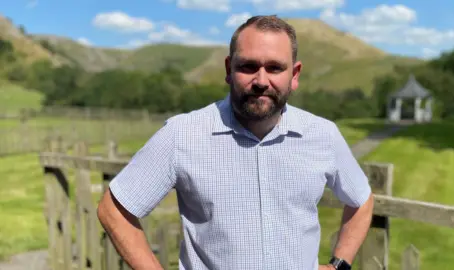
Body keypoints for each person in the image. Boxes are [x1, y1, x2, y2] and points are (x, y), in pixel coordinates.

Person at [97, 15, 374, 270]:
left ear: (295, 75)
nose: (261, 80)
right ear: (229, 69)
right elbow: (114, 210)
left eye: (275, 68)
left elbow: (361, 200)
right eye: (248, 66)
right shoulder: (182, 134)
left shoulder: (322, 135)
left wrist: (339, 265)